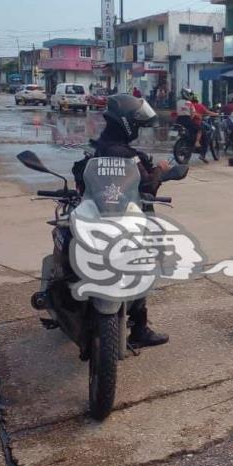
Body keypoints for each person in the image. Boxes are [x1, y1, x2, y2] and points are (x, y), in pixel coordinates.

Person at [88, 93, 170, 349]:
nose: (138, 129)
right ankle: (139, 327)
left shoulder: (100, 145)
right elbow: (146, 185)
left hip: (98, 215)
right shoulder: (124, 153)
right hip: (122, 219)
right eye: (136, 124)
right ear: (126, 123)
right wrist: (162, 170)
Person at [175, 88, 207, 161]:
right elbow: (193, 114)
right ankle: (197, 142)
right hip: (187, 120)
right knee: (200, 129)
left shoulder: (178, 102)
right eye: (190, 94)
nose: (190, 96)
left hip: (178, 121)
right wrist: (192, 118)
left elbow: (176, 112)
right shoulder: (189, 103)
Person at [191, 94, 219, 161]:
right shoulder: (199, 106)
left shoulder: (189, 105)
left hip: (189, 124)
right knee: (206, 138)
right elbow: (207, 112)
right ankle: (202, 155)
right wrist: (216, 114)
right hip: (197, 124)